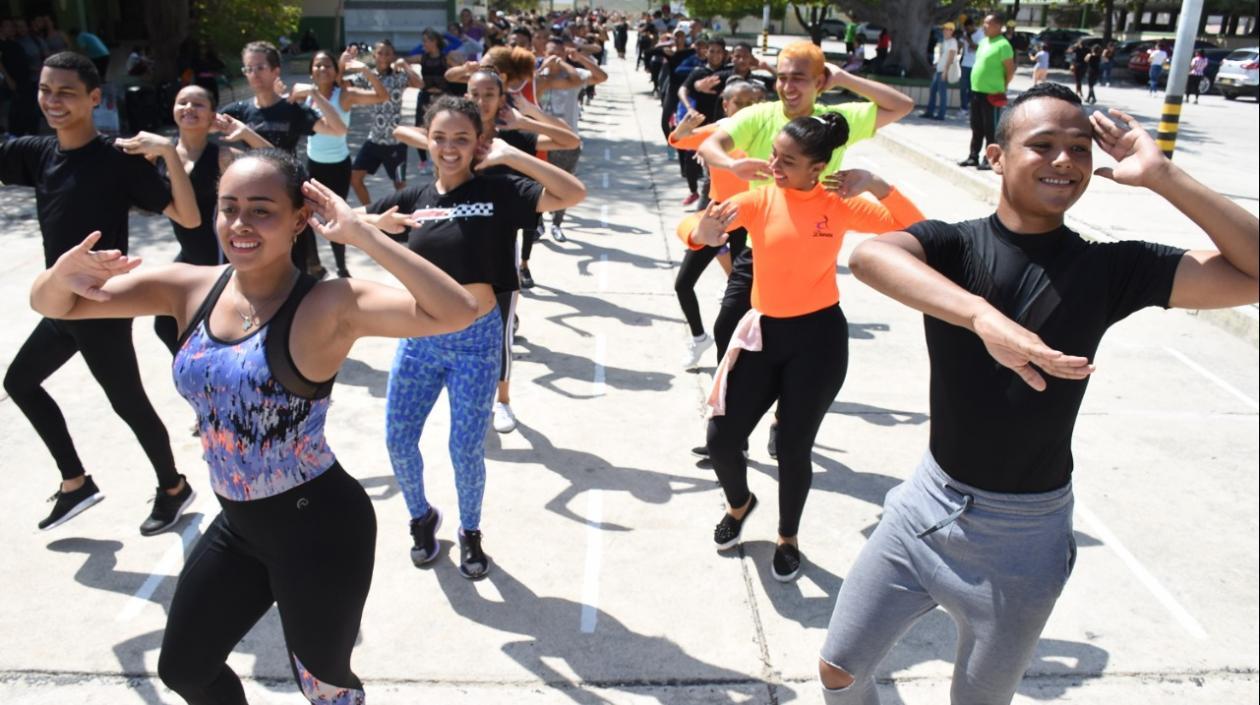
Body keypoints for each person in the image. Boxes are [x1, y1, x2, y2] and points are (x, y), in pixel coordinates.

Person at [819, 81, 1258, 705]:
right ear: (997, 157)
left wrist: (1164, 175)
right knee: (839, 670)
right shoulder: (954, 246)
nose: (1064, 161)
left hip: (1024, 538)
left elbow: (1254, 273)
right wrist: (981, 317)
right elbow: (869, 256)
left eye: (1079, 148)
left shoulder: (1112, 270)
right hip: (925, 508)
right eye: (1043, 144)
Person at [30, 147, 479, 705]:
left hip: (320, 532)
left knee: (326, 687)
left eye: (262, 210)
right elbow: (60, 306)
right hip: (240, 525)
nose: (240, 224)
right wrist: (59, 275)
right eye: (229, 207)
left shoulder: (332, 303)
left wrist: (362, 235)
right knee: (186, 670)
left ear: (299, 219)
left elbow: (457, 310)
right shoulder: (189, 287)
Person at [681, 114, 923, 581]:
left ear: (817, 168)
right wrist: (700, 233)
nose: (774, 164)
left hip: (818, 341)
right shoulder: (758, 199)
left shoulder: (838, 203)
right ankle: (740, 505)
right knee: (721, 440)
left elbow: (917, 227)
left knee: (794, 449)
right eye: (774, 154)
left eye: (787, 161)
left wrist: (877, 184)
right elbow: (695, 226)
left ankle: (787, 537)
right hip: (762, 335)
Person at [362, 96, 585, 579]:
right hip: (419, 341)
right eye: (440, 138)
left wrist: (513, 155)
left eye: (462, 139)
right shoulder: (412, 199)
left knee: (464, 449)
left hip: (476, 344)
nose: (449, 148)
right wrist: (371, 225)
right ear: (428, 140)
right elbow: (340, 222)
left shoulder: (500, 190)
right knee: (399, 439)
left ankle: (469, 531)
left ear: (478, 143)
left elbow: (572, 193)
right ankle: (421, 518)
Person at [0, 52, 200, 535]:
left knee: (128, 402)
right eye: (46, 90)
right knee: (19, 383)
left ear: (94, 98)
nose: (53, 101)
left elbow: (188, 217)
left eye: (66, 92)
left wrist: (170, 154)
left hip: (102, 307)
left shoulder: (116, 160)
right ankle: (75, 482)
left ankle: (173, 487)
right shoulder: (38, 152)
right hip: (61, 304)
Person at [694, 39, 913, 479]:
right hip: (758, 242)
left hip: (812, 244)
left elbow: (902, 105)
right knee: (727, 328)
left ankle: (782, 419)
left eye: (798, 77)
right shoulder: (761, 114)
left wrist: (846, 78)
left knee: (795, 347)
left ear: (819, 82)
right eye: (781, 76)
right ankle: (730, 423)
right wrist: (732, 167)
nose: (787, 86)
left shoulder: (840, 119)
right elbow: (710, 145)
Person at [395, 69, 579, 433]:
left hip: (503, 227)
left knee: (501, 330)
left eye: (489, 95)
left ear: (501, 97)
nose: (481, 101)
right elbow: (403, 131)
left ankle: (503, 399)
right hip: (452, 234)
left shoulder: (511, 134)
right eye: (474, 94)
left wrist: (523, 120)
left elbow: (570, 141)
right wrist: (447, 141)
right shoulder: (455, 132)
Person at [153, 85, 272, 354]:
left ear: (212, 116)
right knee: (165, 325)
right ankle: (198, 372)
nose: (189, 108)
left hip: (217, 256)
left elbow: (277, 166)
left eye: (198, 104)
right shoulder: (159, 153)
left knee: (221, 324)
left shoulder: (222, 156)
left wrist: (245, 134)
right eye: (182, 102)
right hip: (188, 254)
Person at [221, 40, 347, 278]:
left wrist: (314, 93)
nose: (254, 74)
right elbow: (200, 126)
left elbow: (338, 129)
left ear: (275, 70)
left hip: (287, 199)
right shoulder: (240, 111)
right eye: (248, 69)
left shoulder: (292, 110)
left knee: (294, 269)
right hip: (250, 201)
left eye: (260, 67)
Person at [668, 79, 765, 368]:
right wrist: (681, 130)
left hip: (749, 221)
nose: (748, 109)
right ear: (726, 105)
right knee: (683, 284)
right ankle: (699, 338)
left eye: (753, 103)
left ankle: (741, 356)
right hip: (716, 217)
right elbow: (680, 138)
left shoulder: (765, 132)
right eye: (741, 103)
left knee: (744, 297)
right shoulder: (717, 131)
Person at [289, 47, 389, 277]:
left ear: (335, 71)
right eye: (318, 65)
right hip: (312, 165)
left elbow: (382, 96)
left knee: (335, 216)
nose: (322, 69)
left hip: (338, 167)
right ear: (311, 71)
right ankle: (314, 265)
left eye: (327, 65)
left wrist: (365, 70)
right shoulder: (305, 93)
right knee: (303, 216)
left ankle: (342, 267)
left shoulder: (344, 95)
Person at [537, 36, 607, 242]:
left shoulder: (573, 78)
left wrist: (580, 58)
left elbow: (601, 77)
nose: (555, 58)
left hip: (567, 141)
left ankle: (557, 224)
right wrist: (543, 67)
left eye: (558, 54)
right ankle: (537, 223)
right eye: (550, 53)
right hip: (539, 139)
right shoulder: (538, 77)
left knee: (564, 183)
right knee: (536, 183)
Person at [349, 40, 423, 207]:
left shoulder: (399, 75)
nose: (383, 56)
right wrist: (344, 63)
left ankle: (405, 215)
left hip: (395, 142)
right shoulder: (367, 75)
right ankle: (370, 210)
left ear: (393, 56)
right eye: (380, 53)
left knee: (399, 185)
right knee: (355, 178)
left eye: (388, 53)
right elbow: (343, 84)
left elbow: (419, 84)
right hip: (374, 139)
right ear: (374, 55)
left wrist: (405, 65)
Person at [958, 13, 1014, 171]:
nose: (984, 26)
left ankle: (991, 159)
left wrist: (1003, 86)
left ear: (997, 26)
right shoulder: (984, 42)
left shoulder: (1003, 45)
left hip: (992, 93)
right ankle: (973, 156)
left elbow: (1010, 69)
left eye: (987, 24)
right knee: (976, 126)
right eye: (984, 23)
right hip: (977, 91)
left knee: (992, 128)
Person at [922, 22, 958, 120]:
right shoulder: (945, 41)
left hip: (943, 70)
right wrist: (937, 64)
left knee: (942, 93)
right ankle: (930, 112)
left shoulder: (953, 42)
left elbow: (951, 58)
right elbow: (943, 55)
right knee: (933, 90)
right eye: (944, 29)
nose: (945, 31)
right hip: (939, 69)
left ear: (952, 31)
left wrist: (945, 71)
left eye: (947, 29)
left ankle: (941, 115)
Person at [958, 18, 980, 112]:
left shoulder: (980, 34)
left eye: (968, 29)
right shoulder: (965, 34)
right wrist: (959, 42)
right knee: (963, 87)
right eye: (965, 29)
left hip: (975, 65)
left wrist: (968, 40)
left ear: (972, 26)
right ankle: (963, 107)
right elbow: (960, 46)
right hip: (965, 64)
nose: (967, 30)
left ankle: (969, 105)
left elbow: (977, 48)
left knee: (972, 88)